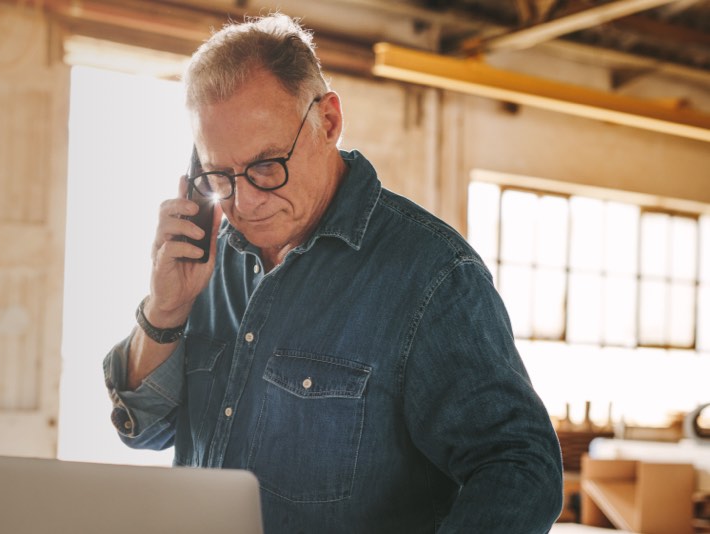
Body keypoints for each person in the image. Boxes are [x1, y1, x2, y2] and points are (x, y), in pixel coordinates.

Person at [101, 13, 563, 533]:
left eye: (267, 165)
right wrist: (166, 309)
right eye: (220, 176)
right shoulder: (207, 259)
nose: (246, 201)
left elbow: (520, 468)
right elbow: (142, 430)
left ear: (328, 121)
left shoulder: (432, 275)